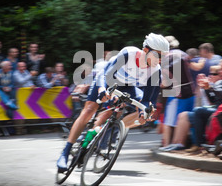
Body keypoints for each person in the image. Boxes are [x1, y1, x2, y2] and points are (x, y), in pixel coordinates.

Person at [56, 33, 169, 172]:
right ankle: (65, 152)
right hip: (106, 80)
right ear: (146, 50)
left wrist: (144, 112)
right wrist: (103, 90)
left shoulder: (155, 71)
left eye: (163, 56)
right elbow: (106, 75)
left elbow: (147, 100)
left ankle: (114, 128)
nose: (160, 60)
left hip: (127, 86)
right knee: (89, 110)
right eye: (158, 55)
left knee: (145, 111)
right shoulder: (129, 53)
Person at [159, 58, 222, 152]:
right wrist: (206, 88)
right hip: (218, 111)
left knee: (198, 111)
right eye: (220, 69)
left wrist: (211, 87)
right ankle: (179, 143)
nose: (220, 71)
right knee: (183, 115)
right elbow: (213, 100)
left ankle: (199, 144)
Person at [160, 36, 195, 147]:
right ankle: (181, 143)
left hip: (177, 93)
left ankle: (173, 144)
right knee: (188, 120)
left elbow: (165, 83)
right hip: (191, 90)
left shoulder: (166, 58)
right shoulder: (184, 54)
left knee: (172, 121)